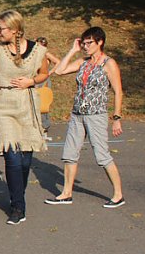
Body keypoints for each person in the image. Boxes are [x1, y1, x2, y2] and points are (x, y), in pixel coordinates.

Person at [0, 10, 49, 225]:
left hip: (27, 104)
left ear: (15, 29)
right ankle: (18, 207)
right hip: (4, 105)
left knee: (25, 159)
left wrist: (31, 81)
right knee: (12, 157)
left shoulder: (38, 50)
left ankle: (18, 193)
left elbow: (44, 73)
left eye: (2, 29)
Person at [46, 27, 125, 208]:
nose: (86, 46)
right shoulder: (83, 61)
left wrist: (117, 117)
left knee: (102, 156)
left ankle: (118, 194)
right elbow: (60, 71)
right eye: (84, 43)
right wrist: (73, 50)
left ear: (100, 42)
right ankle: (66, 193)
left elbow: (118, 91)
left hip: (96, 115)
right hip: (78, 114)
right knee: (69, 154)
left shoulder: (108, 63)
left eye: (89, 43)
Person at [35, 36, 61, 136]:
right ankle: (37, 124)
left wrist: (50, 72)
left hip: (44, 80)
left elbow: (58, 62)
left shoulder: (46, 54)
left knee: (43, 102)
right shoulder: (34, 54)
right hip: (36, 79)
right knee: (35, 102)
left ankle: (44, 125)